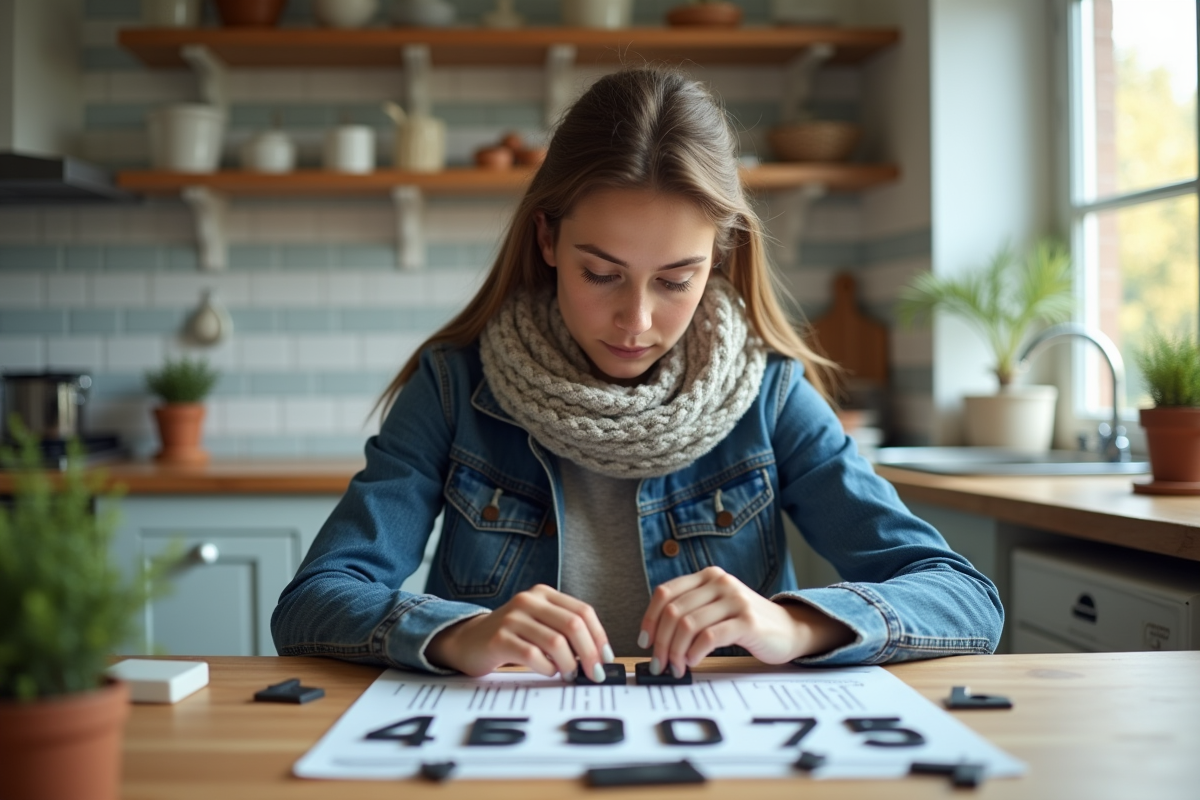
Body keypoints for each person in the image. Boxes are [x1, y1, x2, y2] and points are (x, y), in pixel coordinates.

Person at [271, 67, 1003, 684]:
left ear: (716, 258)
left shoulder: (770, 395)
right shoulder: (453, 387)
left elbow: (965, 599)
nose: (637, 321)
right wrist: (455, 634)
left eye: (675, 280)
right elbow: (313, 602)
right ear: (548, 239)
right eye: (602, 273)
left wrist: (795, 625)